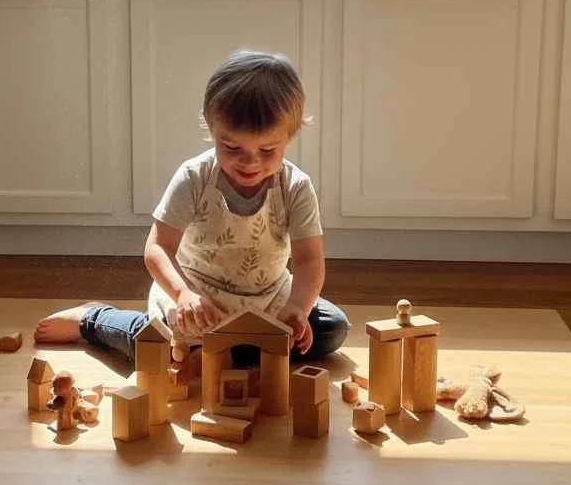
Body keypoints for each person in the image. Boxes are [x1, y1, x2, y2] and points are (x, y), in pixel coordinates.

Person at [34, 50, 350, 369]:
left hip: (268, 300)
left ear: (289, 137)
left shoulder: (295, 186)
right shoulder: (194, 178)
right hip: (199, 301)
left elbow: (309, 260)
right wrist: (183, 294)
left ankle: (223, 352)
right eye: (231, 147)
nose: (249, 161)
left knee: (333, 327)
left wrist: (297, 309)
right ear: (212, 129)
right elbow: (158, 248)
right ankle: (93, 319)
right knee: (158, 347)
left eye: (268, 150)